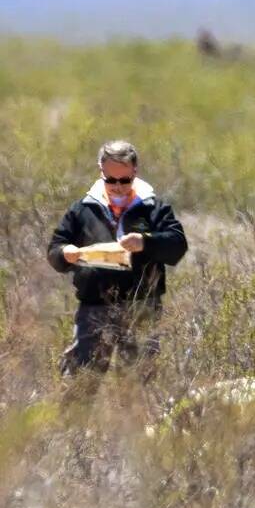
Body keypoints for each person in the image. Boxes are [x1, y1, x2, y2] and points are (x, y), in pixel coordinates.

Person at [47, 140, 188, 374]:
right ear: (101, 172)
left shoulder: (154, 208)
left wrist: (145, 242)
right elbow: (55, 248)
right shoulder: (82, 209)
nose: (118, 186)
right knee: (81, 382)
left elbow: (177, 244)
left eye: (125, 180)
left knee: (136, 386)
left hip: (141, 307)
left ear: (135, 172)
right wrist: (65, 254)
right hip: (94, 307)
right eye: (111, 180)